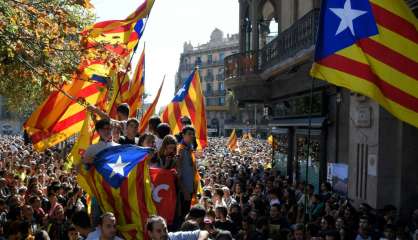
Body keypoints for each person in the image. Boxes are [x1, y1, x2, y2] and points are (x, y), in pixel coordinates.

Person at [176, 126, 198, 219]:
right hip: (183, 190)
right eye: (189, 134)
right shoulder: (180, 150)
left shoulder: (190, 148)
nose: (192, 136)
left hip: (190, 187)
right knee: (182, 215)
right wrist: (184, 189)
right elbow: (178, 172)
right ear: (183, 135)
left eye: (193, 134)